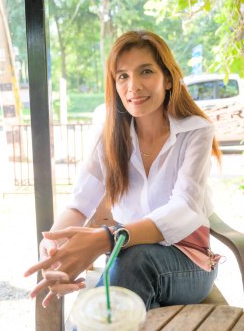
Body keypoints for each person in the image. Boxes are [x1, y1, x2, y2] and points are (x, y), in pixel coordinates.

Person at [24, 30, 222, 309]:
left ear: (168, 78)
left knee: (132, 263)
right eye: (123, 76)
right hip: (127, 259)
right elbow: (80, 205)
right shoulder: (109, 132)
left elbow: (185, 208)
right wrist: (53, 251)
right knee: (124, 289)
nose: (133, 86)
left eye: (145, 72)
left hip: (189, 260)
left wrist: (110, 237)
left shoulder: (195, 131)